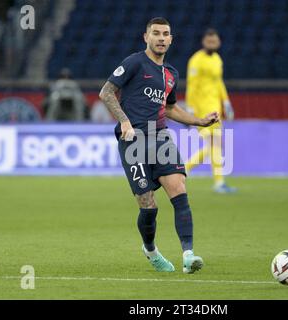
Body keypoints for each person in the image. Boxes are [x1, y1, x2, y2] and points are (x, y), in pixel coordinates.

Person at [99, 17, 219, 273]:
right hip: (132, 140)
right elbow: (106, 92)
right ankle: (151, 250)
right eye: (156, 33)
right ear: (146, 37)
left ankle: (189, 255)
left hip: (160, 136)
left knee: (179, 189)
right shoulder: (133, 62)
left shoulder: (171, 74)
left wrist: (199, 121)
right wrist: (124, 121)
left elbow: (171, 108)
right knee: (148, 204)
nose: (161, 38)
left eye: (165, 34)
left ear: (171, 39)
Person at [185, 29, 237, 193]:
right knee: (215, 144)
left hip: (215, 107)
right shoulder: (196, 60)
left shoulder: (217, 59)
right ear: (203, 42)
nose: (212, 44)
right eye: (209, 42)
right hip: (202, 108)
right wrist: (190, 108)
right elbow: (191, 85)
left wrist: (226, 101)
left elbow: (218, 82)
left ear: (218, 42)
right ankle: (218, 182)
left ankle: (183, 170)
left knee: (214, 145)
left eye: (214, 42)